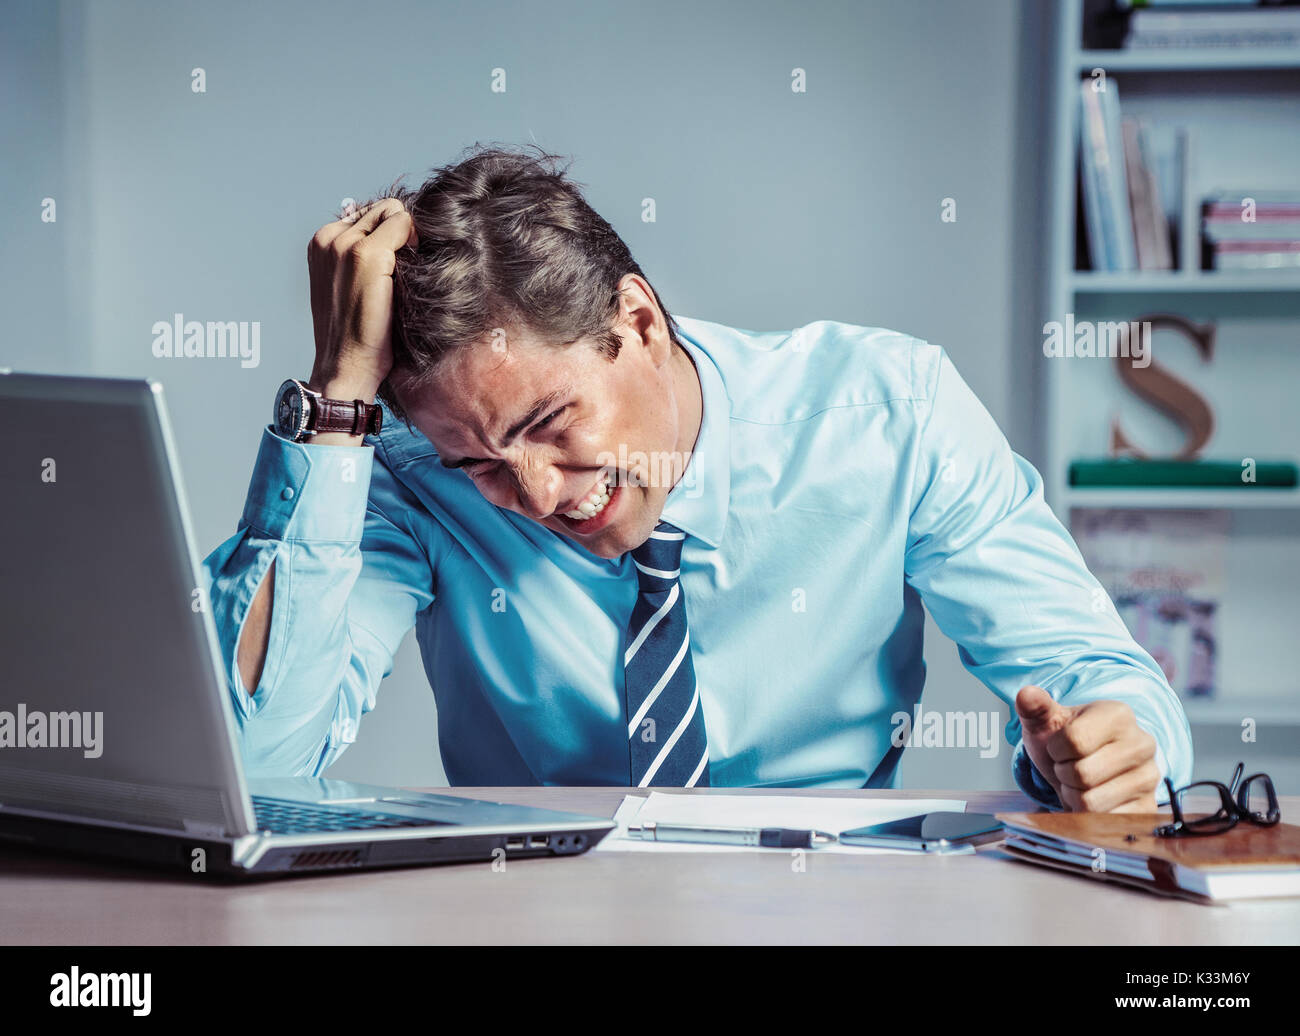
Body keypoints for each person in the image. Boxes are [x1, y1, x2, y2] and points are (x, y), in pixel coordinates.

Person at [203, 144, 1192, 810]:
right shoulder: (415, 475)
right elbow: (251, 770)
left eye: (550, 424)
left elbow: (1100, 682)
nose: (541, 495)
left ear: (637, 321)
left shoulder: (892, 416)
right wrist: (336, 408)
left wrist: (1112, 751)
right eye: (482, 466)